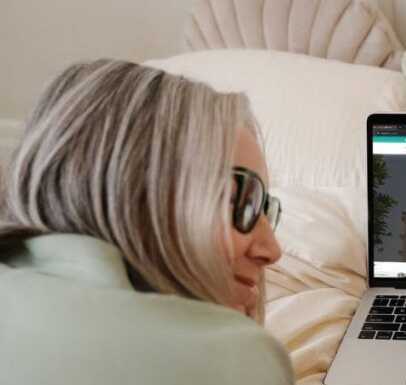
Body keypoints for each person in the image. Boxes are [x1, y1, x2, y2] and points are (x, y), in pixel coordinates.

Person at [0, 59, 293, 384]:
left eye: (266, 210)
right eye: (238, 199)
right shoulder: (232, 355)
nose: (273, 250)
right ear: (128, 187)